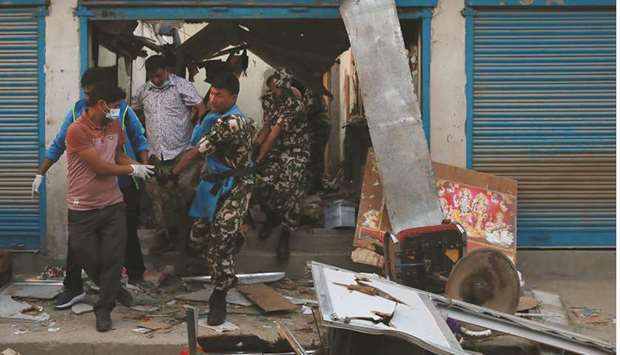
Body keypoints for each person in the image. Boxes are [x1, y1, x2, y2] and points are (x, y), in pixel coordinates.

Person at [32, 68, 149, 311]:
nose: (86, 98)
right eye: (85, 94)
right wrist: (40, 172)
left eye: (89, 93)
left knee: (122, 241)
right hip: (88, 193)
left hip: (120, 188)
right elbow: (59, 145)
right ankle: (77, 286)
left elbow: (137, 141)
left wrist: (142, 169)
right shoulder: (77, 115)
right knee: (80, 247)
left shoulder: (121, 112)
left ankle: (132, 277)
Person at [64, 82, 154, 331]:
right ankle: (113, 287)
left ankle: (104, 309)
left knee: (114, 258)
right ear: (101, 105)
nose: (117, 111)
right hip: (82, 207)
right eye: (114, 107)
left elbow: (117, 156)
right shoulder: (77, 130)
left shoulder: (114, 124)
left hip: (113, 205)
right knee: (87, 257)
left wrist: (137, 165)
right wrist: (131, 169)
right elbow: (100, 168)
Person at [172, 72, 255, 325]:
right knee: (198, 236)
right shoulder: (213, 117)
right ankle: (220, 255)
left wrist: (171, 173)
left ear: (233, 96)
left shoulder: (232, 123)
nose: (213, 98)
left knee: (221, 241)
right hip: (213, 185)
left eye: (219, 94)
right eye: (211, 93)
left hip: (236, 187)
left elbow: (197, 151)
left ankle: (219, 294)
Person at [132, 55, 206, 265]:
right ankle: (166, 237)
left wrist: (197, 137)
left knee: (185, 197)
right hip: (156, 154)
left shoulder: (182, 86)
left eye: (158, 75)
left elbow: (202, 109)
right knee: (159, 199)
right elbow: (135, 112)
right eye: (151, 76)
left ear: (167, 70)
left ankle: (189, 243)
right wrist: (141, 137)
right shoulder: (143, 90)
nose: (155, 80)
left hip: (182, 152)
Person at [254, 70, 310, 261]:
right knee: (262, 184)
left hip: (296, 150)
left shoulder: (293, 102)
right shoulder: (269, 99)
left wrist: (260, 157)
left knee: (290, 188)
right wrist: (255, 146)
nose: (275, 89)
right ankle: (273, 216)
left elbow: (275, 132)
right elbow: (267, 126)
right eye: (271, 85)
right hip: (278, 150)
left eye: (278, 85)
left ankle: (286, 232)